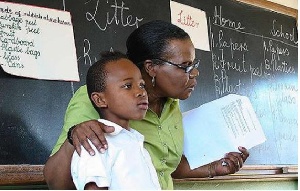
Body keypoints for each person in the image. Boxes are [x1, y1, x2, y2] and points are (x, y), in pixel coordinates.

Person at [44, 20, 249, 190]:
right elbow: (57, 180)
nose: (194, 73)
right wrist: (74, 136)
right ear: (151, 68)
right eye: (185, 66)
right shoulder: (99, 99)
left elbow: (162, 166)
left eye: (194, 65)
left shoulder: (171, 104)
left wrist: (213, 168)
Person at [70, 51, 160, 190]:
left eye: (142, 85)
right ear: (100, 100)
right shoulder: (96, 143)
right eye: (127, 86)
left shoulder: (135, 141)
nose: (141, 92)